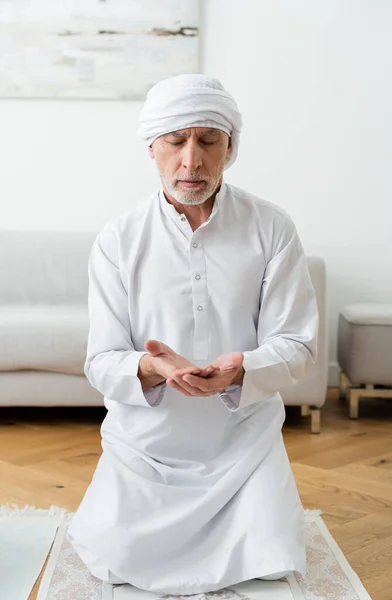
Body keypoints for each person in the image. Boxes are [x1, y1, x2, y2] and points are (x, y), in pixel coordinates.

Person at [67, 74, 319, 595]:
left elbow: (297, 343)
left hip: (242, 443)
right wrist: (153, 366)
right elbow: (101, 360)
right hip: (146, 447)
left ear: (230, 147)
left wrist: (239, 368)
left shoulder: (271, 227)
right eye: (176, 141)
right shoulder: (119, 239)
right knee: (112, 562)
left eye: (208, 141)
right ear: (152, 147)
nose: (191, 161)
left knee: (269, 565)